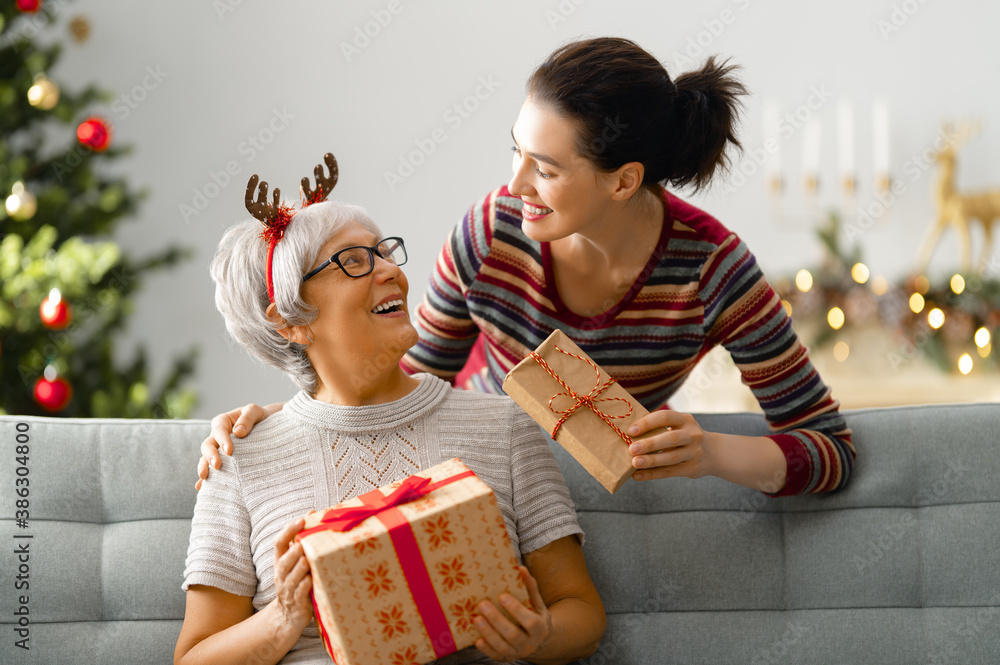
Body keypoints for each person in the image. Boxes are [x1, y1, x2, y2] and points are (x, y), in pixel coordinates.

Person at [199, 37, 854, 499]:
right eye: (516, 151)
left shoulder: (713, 270)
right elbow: (400, 385)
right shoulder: (490, 234)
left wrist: (711, 452)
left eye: (545, 168)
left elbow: (830, 448)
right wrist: (281, 424)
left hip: (599, 498)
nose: (513, 184)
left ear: (624, 180)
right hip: (473, 480)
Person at [175, 160, 605, 665]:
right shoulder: (240, 457)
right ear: (291, 321)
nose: (389, 271)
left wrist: (538, 639)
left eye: (383, 252)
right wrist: (283, 619)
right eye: (353, 261)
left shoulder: (504, 427)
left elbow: (581, 614)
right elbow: (193, 658)